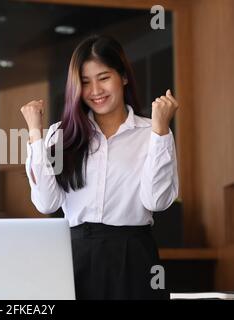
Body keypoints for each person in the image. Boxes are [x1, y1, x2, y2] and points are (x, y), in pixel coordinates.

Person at [20, 34, 179, 300]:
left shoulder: (150, 132)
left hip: (134, 256)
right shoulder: (61, 136)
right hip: (75, 256)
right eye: (85, 82)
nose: (95, 90)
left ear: (124, 77)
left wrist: (161, 129)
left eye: (104, 77)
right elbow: (47, 204)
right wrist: (36, 134)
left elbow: (157, 200)